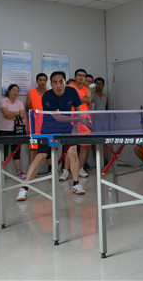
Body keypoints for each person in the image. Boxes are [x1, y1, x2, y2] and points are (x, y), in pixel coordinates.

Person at [17, 71, 92, 200]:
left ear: (65, 82)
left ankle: (76, 185)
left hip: (67, 128)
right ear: (51, 84)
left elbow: (78, 108)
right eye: (55, 82)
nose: (58, 85)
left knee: (73, 152)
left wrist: (75, 126)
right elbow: (58, 117)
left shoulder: (72, 92)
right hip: (49, 128)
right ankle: (24, 189)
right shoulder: (47, 96)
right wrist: (78, 120)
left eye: (61, 82)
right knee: (40, 156)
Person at [63, 69, 92, 180]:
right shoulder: (69, 87)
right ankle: (65, 171)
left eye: (83, 76)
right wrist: (80, 99)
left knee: (84, 146)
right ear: (75, 76)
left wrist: (75, 99)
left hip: (84, 120)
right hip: (71, 119)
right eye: (79, 75)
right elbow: (67, 99)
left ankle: (81, 168)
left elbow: (88, 99)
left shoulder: (87, 89)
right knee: (70, 146)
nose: (81, 77)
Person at [0, 84, 26, 178]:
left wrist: (11, 115)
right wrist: (17, 114)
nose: (16, 93)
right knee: (3, 152)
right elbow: (5, 113)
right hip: (4, 129)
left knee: (16, 151)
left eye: (17, 91)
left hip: (17, 130)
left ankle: (19, 172)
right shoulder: (3, 101)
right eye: (13, 90)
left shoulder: (20, 103)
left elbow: (22, 116)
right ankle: (1, 173)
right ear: (9, 91)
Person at [26, 73, 51, 174]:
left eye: (44, 80)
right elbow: (28, 108)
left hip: (48, 124)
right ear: (37, 81)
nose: (42, 82)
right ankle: (32, 171)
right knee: (33, 147)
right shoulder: (31, 93)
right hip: (34, 125)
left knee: (49, 146)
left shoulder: (50, 93)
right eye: (40, 80)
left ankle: (51, 168)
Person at [91, 77, 110, 165]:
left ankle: (106, 159)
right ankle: (98, 161)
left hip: (104, 121)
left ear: (103, 85)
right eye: (97, 84)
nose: (99, 86)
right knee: (96, 141)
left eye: (100, 84)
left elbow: (106, 108)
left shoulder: (106, 96)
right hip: (95, 121)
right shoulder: (92, 95)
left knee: (105, 141)